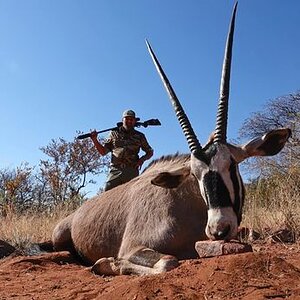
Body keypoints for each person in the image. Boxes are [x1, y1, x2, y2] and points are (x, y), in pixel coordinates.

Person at [90, 109, 154, 191]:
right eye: (127, 119)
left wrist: (142, 160)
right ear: (122, 120)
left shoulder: (140, 136)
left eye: (131, 119)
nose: (129, 121)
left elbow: (150, 152)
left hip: (132, 171)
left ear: (135, 121)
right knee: (106, 194)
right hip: (115, 171)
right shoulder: (113, 133)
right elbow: (103, 152)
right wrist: (94, 140)